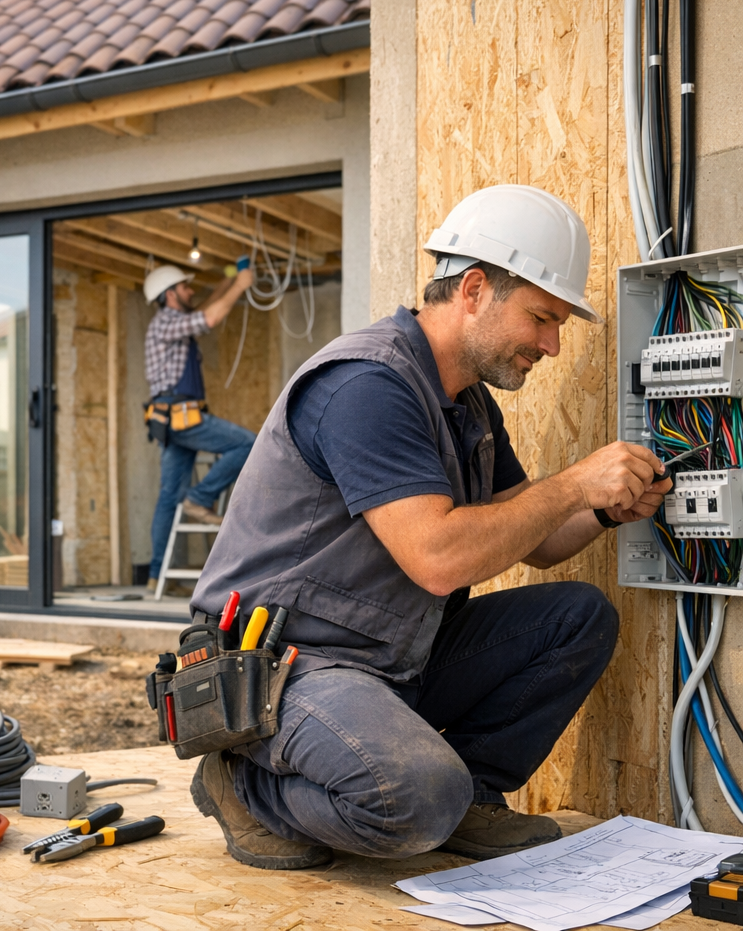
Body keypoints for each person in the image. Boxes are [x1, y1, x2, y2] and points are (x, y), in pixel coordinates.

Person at [187, 185, 673, 869]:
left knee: (577, 615)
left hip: (392, 655)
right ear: (474, 288)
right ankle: (240, 781)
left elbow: (534, 543)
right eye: (541, 317)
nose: (553, 345)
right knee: (415, 801)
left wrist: (598, 508)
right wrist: (570, 483)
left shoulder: (464, 403)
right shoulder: (366, 386)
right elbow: (438, 558)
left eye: (559, 324)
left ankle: (471, 793)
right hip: (285, 668)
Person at [143, 263, 257, 593]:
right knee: (247, 444)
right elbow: (208, 318)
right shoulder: (166, 321)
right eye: (185, 287)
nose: (191, 291)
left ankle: (155, 577)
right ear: (170, 295)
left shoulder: (173, 322)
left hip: (171, 422)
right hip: (181, 416)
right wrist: (241, 285)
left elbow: (204, 309)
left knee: (167, 498)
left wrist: (229, 281)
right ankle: (200, 498)